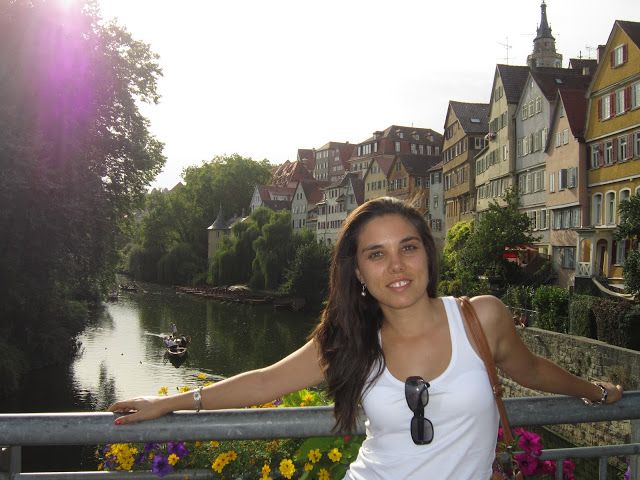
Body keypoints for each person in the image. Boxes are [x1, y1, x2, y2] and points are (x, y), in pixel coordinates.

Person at [109, 196, 623, 479]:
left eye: (409, 248)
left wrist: (595, 393)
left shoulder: (480, 319)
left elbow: (531, 370)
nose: (396, 266)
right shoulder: (350, 338)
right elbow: (265, 383)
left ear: (428, 255)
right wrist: (172, 402)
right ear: (357, 270)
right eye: (376, 254)